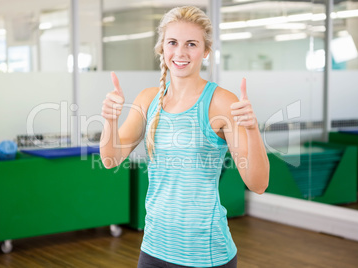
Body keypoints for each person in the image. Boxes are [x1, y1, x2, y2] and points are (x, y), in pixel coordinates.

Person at [100, 5, 269, 268]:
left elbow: (258, 183)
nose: (180, 52)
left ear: (205, 51)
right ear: (162, 48)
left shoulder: (221, 103)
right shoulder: (148, 100)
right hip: (154, 249)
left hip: (205, 254)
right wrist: (109, 119)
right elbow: (110, 159)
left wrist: (252, 128)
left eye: (191, 44)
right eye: (173, 42)